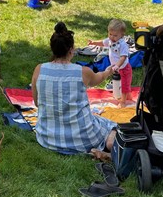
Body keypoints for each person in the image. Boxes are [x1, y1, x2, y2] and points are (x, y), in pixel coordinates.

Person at [31, 22, 115, 155]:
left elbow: (37, 103)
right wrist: (107, 72)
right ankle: (111, 151)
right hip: (83, 139)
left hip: (47, 137)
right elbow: (98, 78)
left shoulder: (39, 69)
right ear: (71, 50)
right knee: (109, 125)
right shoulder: (82, 72)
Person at [91, 19, 133, 108]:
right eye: (110, 34)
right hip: (116, 68)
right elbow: (103, 42)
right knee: (120, 83)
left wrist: (117, 65)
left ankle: (123, 101)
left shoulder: (123, 45)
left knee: (125, 84)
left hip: (124, 68)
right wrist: (94, 42)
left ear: (122, 35)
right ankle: (128, 96)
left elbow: (123, 57)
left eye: (115, 35)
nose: (112, 37)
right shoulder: (110, 40)